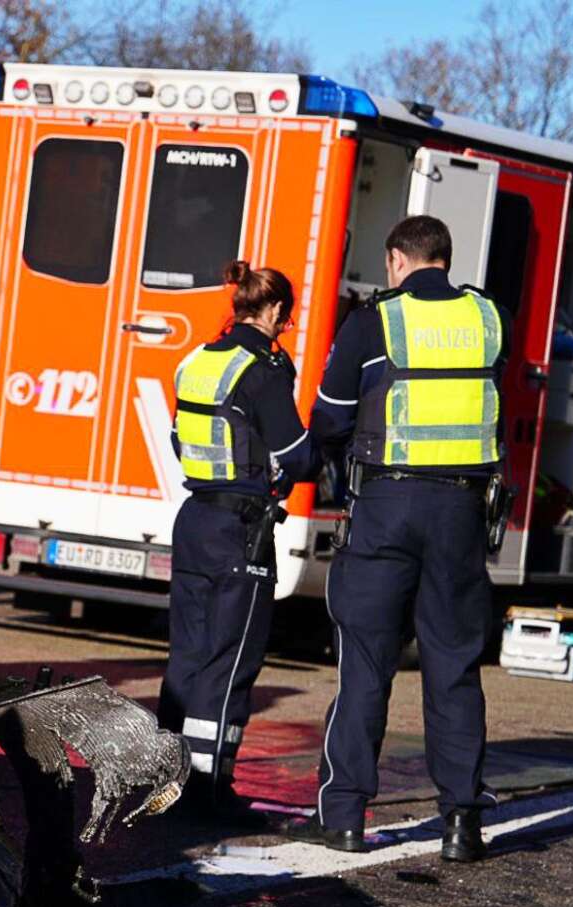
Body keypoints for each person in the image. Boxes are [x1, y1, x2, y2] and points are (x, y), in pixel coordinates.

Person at [289, 214, 506, 861]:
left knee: (366, 667)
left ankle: (345, 817)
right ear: (445, 256)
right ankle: (462, 823)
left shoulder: (373, 321)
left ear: (396, 260)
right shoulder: (488, 320)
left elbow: (329, 417)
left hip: (387, 505)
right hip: (462, 513)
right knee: (454, 668)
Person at [157, 261, 314, 817]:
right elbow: (297, 454)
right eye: (286, 319)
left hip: (195, 518)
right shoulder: (264, 370)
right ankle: (207, 790)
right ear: (273, 311)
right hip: (240, 530)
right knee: (231, 661)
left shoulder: (197, 361)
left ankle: (165, 778)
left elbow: (181, 440)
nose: (284, 328)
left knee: (188, 657)